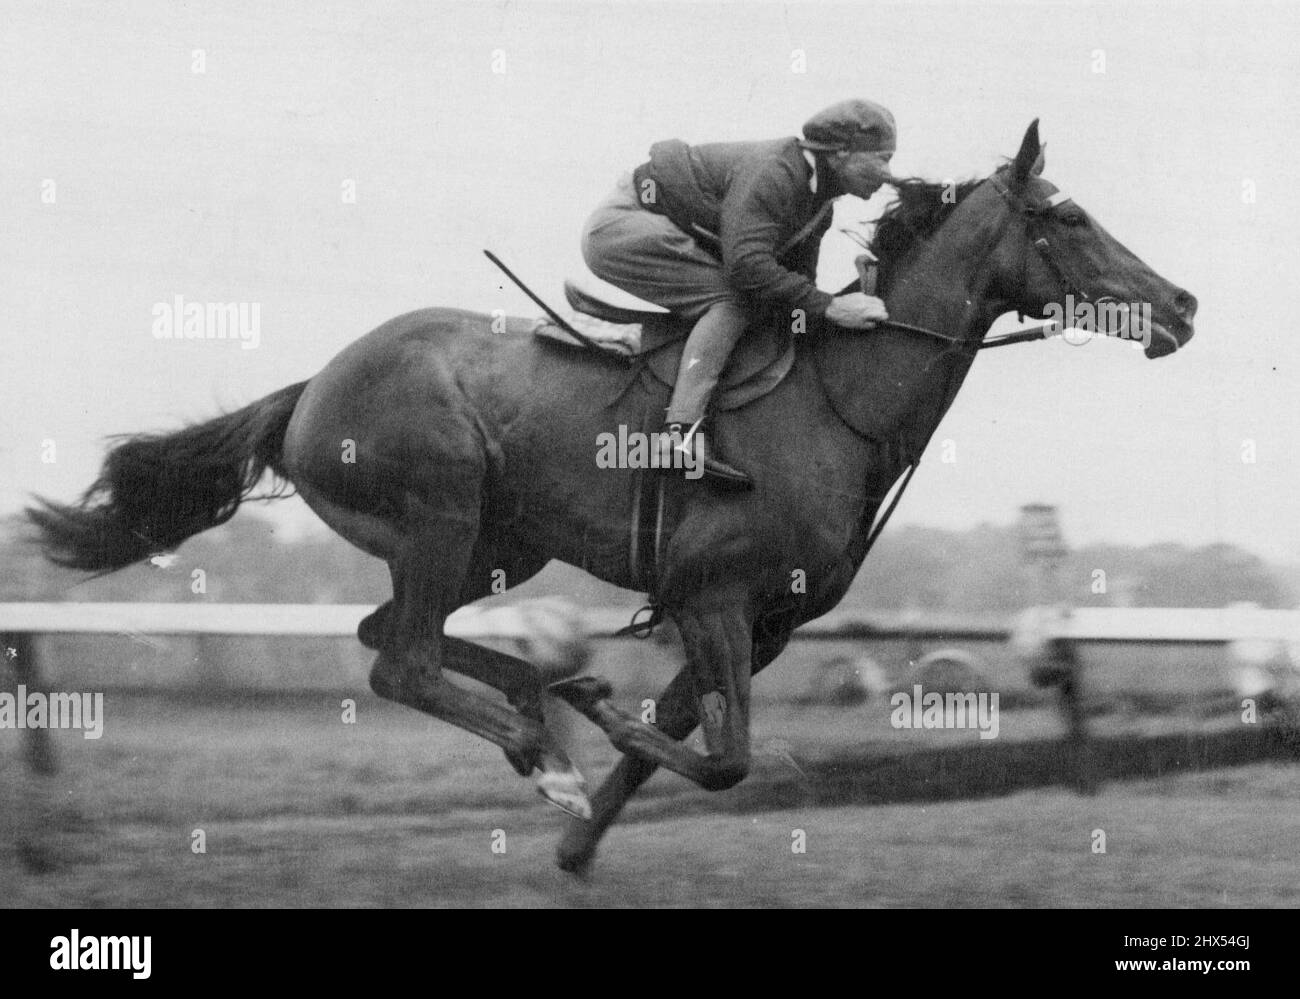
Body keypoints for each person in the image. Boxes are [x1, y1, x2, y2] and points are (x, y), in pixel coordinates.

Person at [580, 98, 897, 488]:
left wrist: (827, 309)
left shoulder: (819, 205)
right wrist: (831, 307)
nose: (887, 174)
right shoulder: (776, 171)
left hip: (665, 229)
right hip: (623, 227)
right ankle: (678, 437)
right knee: (733, 301)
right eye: (881, 158)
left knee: (761, 306)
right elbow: (748, 267)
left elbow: (792, 287)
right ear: (841, 153)